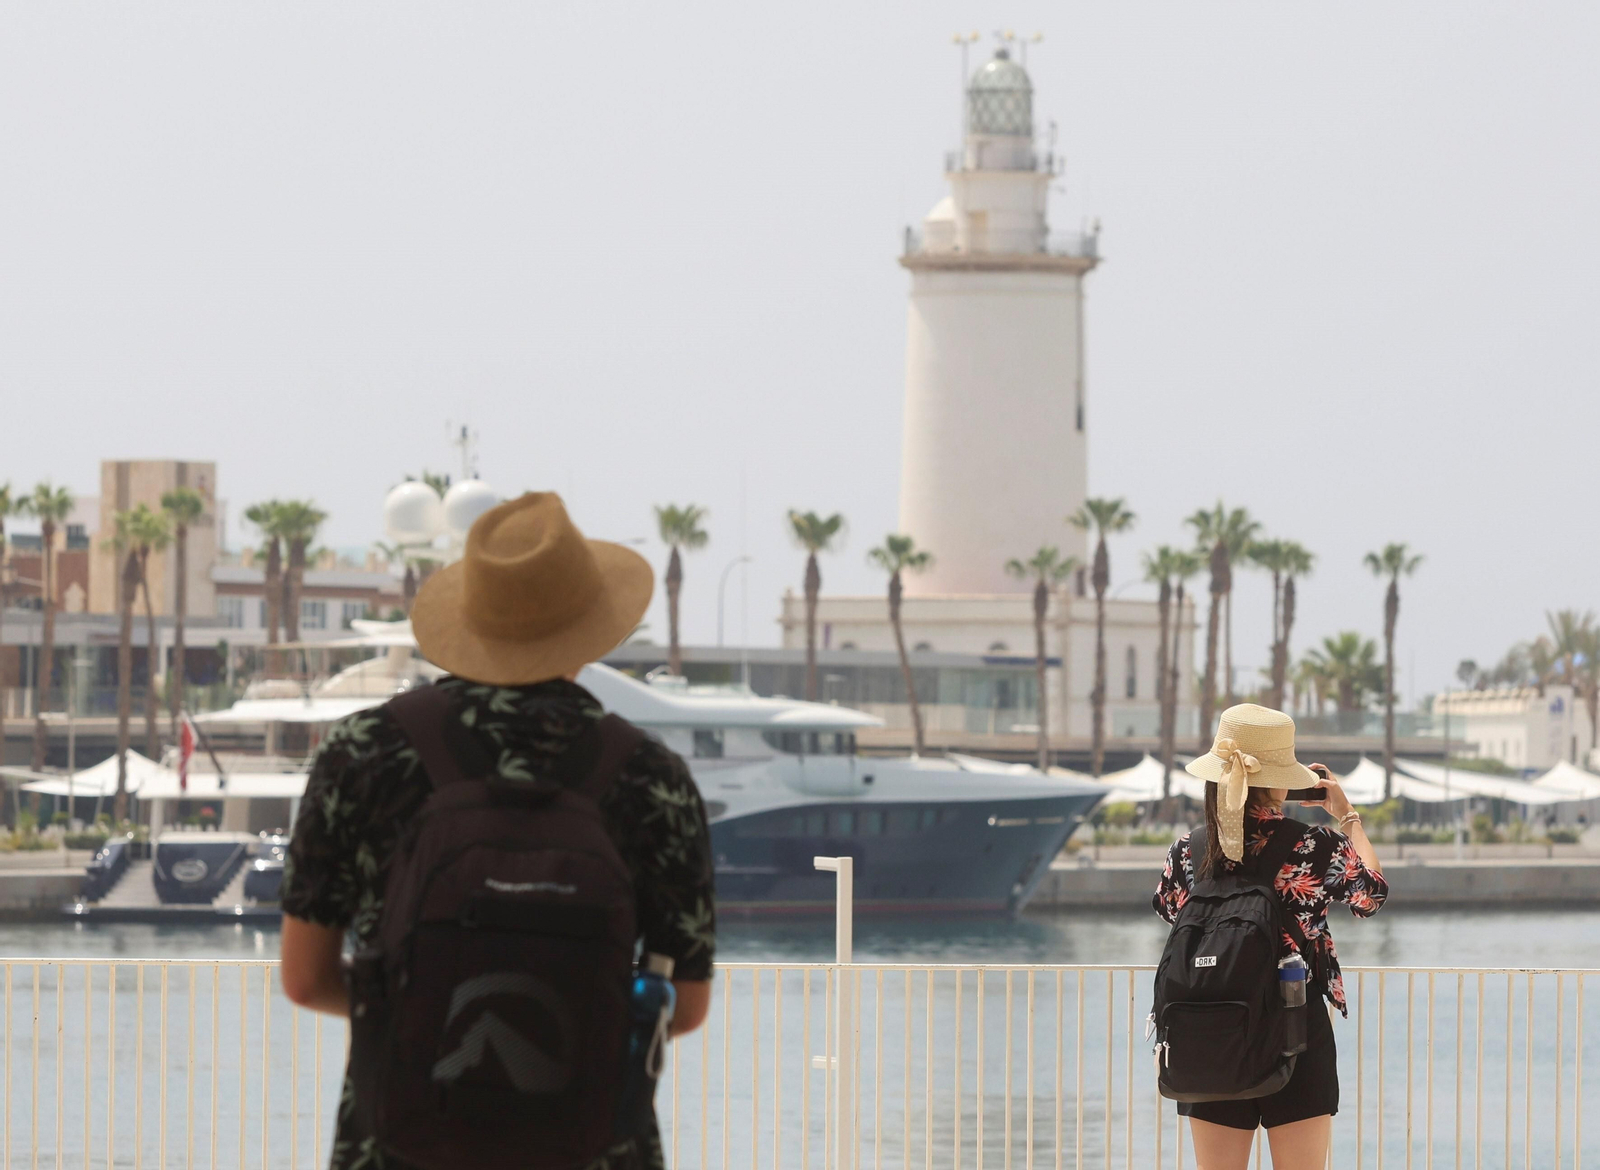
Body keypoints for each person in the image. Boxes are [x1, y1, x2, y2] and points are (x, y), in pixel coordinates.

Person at [279, 492, 716, 1170]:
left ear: (471, 622)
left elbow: (305, 980)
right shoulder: (651, 776)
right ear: (589, 629)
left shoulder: (362, 751)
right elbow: (684, 1007)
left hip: (397, 1147)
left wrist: (417, 1014)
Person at [1154, 703, 1387, 1170]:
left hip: (1212, 1030)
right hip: (1295, 1026)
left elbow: (1167, 908)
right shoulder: (1316, 846)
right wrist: (1348, 816)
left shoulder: (1191, 849)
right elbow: (1370, 895)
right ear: (1284, 777)